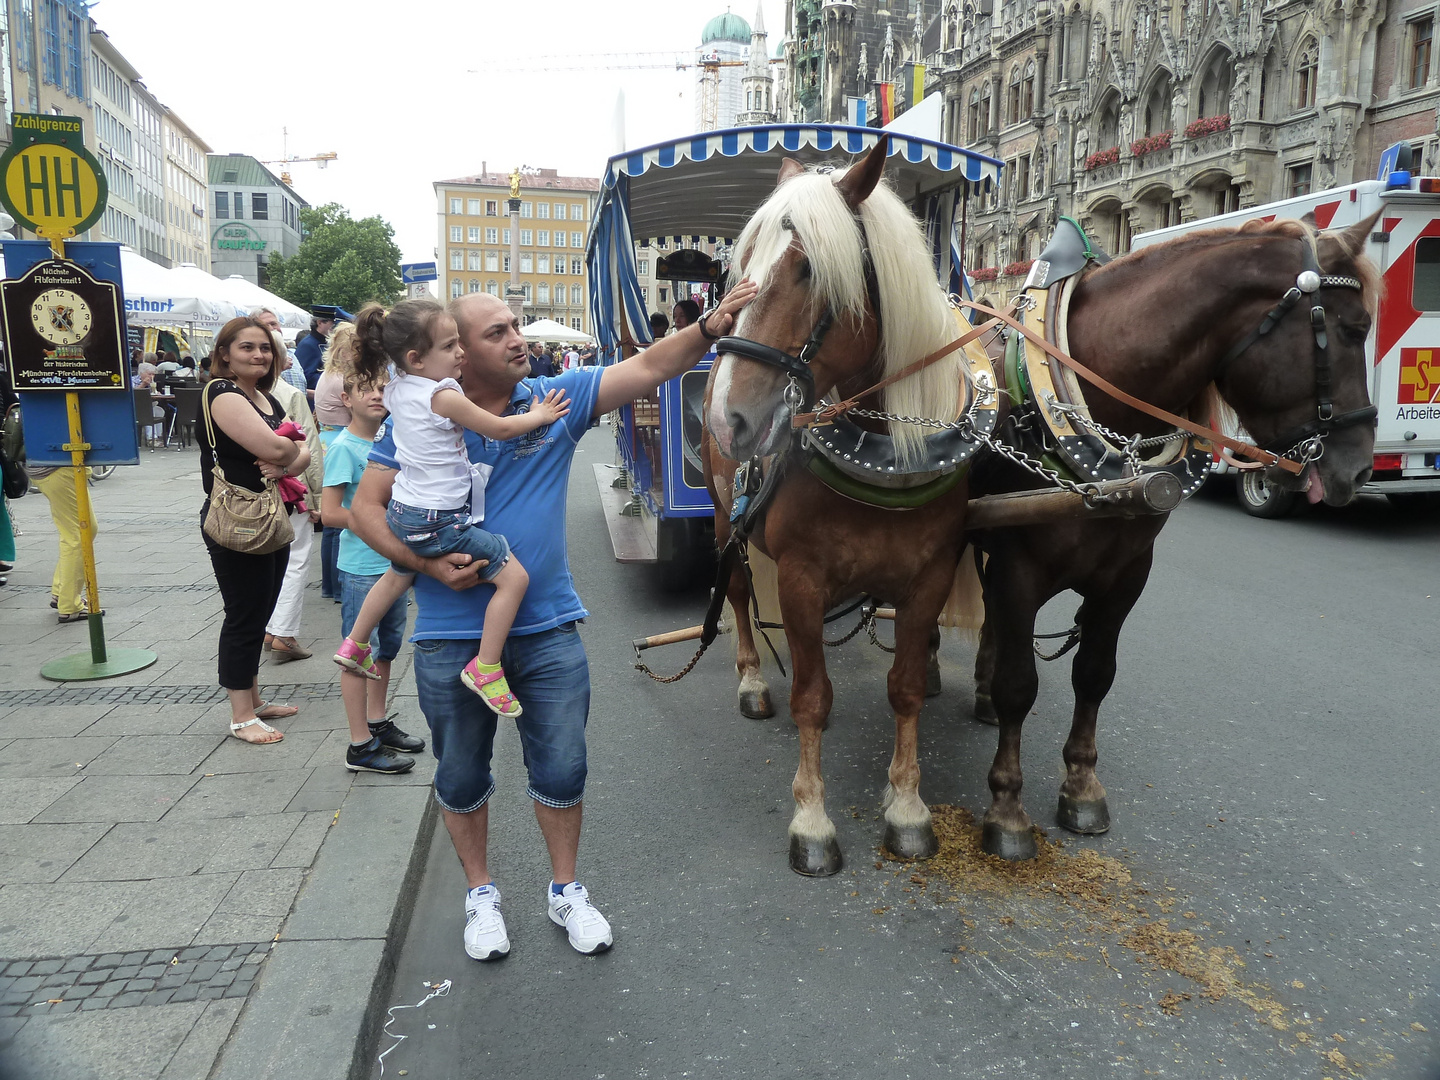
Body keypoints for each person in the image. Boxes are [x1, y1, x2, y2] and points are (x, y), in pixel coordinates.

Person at [347, 279, 756, 960]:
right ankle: (481, 894)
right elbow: (364, 508)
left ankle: (565, 890)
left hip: (547, 629)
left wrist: (710, 326)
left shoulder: (553, 401)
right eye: (496, 333)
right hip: (450, 635)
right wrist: (422, 566)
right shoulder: (418, 417)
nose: (518, 340)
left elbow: (653, 366)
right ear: (454, 356)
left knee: (563, 770)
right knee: (460, 775)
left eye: (516, 327)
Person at [333, 300, 569, 718]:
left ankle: (355, 642)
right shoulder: (441, 394)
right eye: (449, 346)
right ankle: (487, 667)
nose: (460, 352)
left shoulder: (398, 387)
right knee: (514, 578)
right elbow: (497, 428)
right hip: (439, 516)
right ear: (416, 358)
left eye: (460, 342)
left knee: (397, 574)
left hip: (406, 511)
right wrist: (540, 414)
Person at [198, 316, 310, 745]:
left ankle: (254, 697)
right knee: (244, 616)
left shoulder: (265, 398)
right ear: (224, 352)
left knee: (262, 610)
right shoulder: (220, 392)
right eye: (247, 347)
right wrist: (285, 453)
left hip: (271, 515)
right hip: (237, 518)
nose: (259, 355)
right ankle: (242, 716)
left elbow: (301, 453)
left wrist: (286, 457)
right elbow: (279, 447)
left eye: (265, 348)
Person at [321, 367, 425, 775]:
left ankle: (377, 721)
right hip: (364, 566)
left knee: (386, 648)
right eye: (364, 390)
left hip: (393, 564)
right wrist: (375, 522)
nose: (376, 396)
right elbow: (330, 513)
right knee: (358, 651)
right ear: (346, 399)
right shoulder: (345, 447)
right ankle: (359, 743)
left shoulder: (391, 440)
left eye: (382, 388)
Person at [262, 331, 324, 663]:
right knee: (295, 560)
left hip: (254, 492)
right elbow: (309, 447)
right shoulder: (289, 394)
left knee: (269, 563)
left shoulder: (228, 394)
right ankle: (283, 631)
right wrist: (316, 495)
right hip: (291, 489)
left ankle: (271, 627)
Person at [314, 323, 359, 603]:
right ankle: (339, 585)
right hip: (339, 439)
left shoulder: (328, 374)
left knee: (331, 527)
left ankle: (331, 584)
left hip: (328, 438)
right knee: (336, 521)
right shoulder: (342, 378)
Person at [253, 308, 308, 394]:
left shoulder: (291, 354)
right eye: (265, 326)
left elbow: (300, 388)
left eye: (273, 324)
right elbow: (256, 385)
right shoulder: (258, 356)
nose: (271, 328)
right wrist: (278, 368)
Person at [294, 312, 335, 391]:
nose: (334, 327)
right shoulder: (307, 344)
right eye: (332, 323)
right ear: (319, 322)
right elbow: (307, 377)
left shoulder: (326, 342)